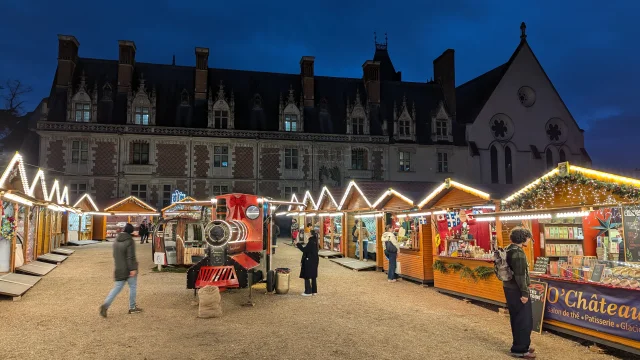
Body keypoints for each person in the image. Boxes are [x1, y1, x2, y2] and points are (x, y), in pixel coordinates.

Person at [503, 227, 535, 359]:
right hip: (517, 290)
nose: (529, 241)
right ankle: (521, 349)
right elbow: (520, 275)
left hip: (508, 287)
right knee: (524, 319)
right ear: (523, 238)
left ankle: (520, 344)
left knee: (516, 317)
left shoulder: (508, 249)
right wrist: (525, 293)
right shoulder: (519, 253)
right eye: (528, 238)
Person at [99, 223, 142, 317]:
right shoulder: (130, 241)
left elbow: (115, 255)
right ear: (131, 231)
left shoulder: (116, 240)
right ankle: (132, 307)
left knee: (117, 288)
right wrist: (132, 269)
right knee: (133, 287)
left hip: (119, 267)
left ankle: (105, 305)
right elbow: (130, 256)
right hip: (129, 269)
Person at [296, 228, 319, 297]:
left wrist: (297, 244)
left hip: (309, 260)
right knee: (313, 276)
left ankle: (308, 291)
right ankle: (314, 291)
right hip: (314, 260)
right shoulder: (315, 241)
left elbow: (305, 250)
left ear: (311, 235)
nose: (306, 234)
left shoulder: (311, 242)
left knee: (307, 275)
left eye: (308, 233)